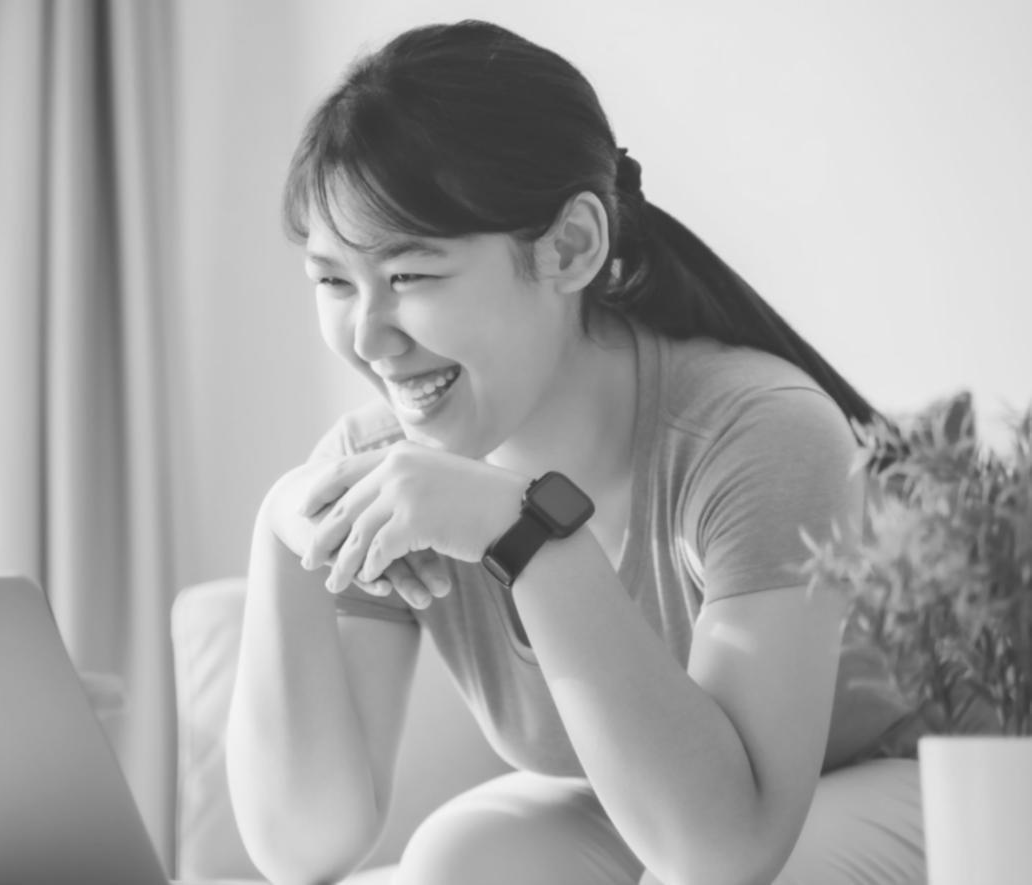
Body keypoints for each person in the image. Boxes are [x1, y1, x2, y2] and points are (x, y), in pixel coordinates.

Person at [224, 19, 926, 885]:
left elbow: (727, 850)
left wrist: (526, 533)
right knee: (457, 860)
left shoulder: (758, 434)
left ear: (569, 248)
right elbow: (305, 849)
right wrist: (280, 538)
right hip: (662, 799)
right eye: (333, 280)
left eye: (411, 276)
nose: (369, 338)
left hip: (911, 778)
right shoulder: (390, 471)